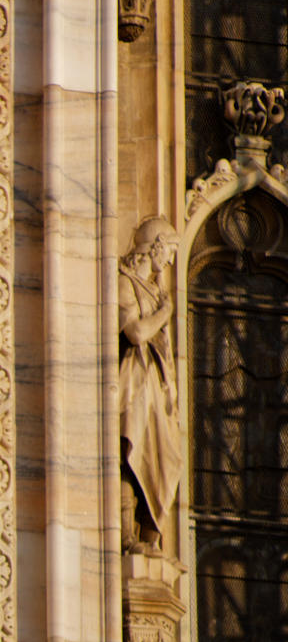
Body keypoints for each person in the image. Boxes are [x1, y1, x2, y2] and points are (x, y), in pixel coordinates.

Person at [119, 218, 181, 552]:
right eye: (169, 251)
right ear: (155, 246)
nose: (171, 260)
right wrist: (166, 312)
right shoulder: (124, 283)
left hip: (158, 386)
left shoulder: (157, 292)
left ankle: (152, 538)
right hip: (135, 382)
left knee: (168, 458)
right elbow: (137, 333)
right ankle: (129, 537)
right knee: (132, 447)